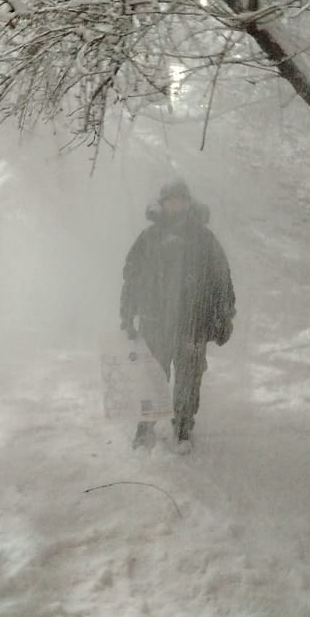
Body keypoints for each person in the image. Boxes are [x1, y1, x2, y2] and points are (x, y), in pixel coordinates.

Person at [120, 178, 236, 450]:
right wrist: (127, 314)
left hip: (192, 322)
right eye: (171, 200)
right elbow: (132, 278)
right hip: (154, 321)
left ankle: (183, 428)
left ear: (188, 202)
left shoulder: (204, 239)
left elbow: (222, 279)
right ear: (163, 204)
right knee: (151, 376)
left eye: (181, 199)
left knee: (188, 378)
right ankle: (145, 426)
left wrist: (224, 316)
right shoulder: (149, 238)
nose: (176, 205)